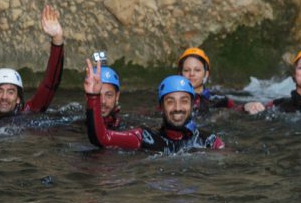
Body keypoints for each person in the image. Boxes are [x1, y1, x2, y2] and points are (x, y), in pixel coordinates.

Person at [83, 60, 224, 153]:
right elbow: (102, 138)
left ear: (192, 105)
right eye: (170, 101)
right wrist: (93, 97)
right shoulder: (145, 137)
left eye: (184, 101)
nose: (177, 107)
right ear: (161, 107)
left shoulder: (210, 141)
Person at [0, 4, 65, 122]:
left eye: (11, 92)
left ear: (18, 99)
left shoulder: (30, 112)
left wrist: (57, 39)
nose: (4, 97)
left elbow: (50, 84)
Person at [177, 47, 241, 117]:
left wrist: (246, 107)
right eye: (186, 70)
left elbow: (238, 109)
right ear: (180, 74)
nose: (192, 74)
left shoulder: (218, 99)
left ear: (206, 74)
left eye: (197, 70)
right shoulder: (172, 99)